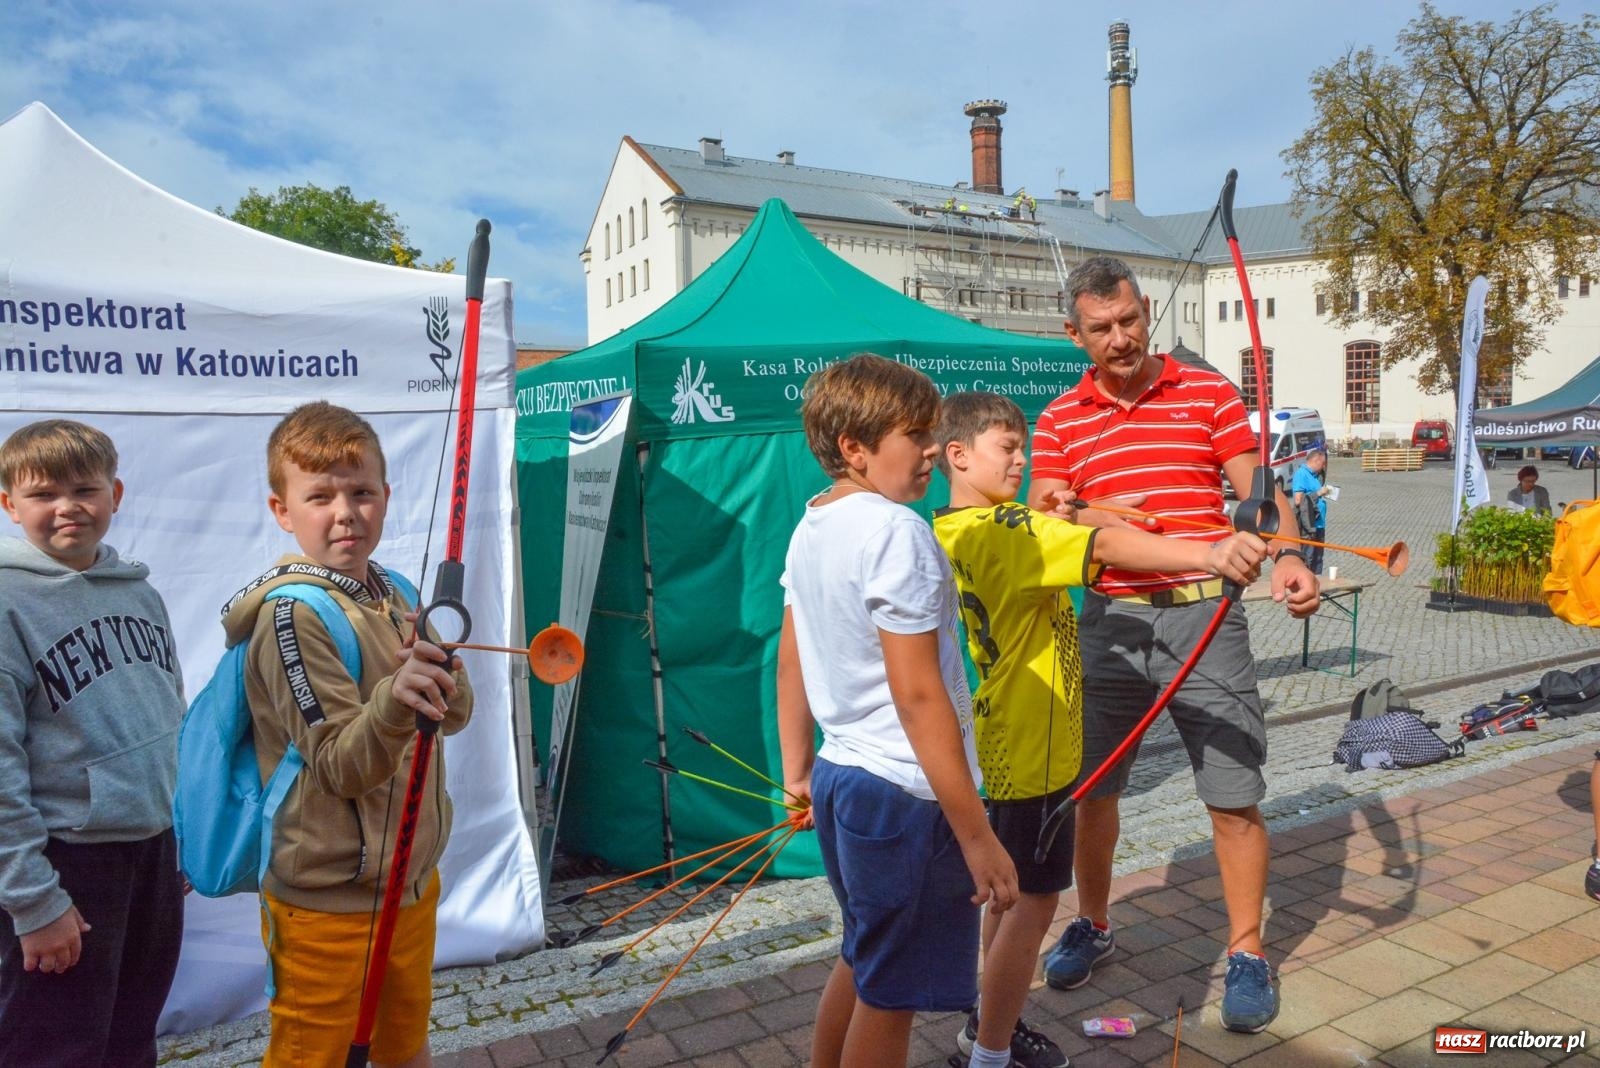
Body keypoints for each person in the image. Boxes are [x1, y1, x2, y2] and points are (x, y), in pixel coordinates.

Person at [1026, 256, 1319, 1035]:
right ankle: (1094, 922)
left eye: (1128, 320)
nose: (1119, 339)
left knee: (1232, 792)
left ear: (1145, 307)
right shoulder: (1057, 420)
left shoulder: (1207, 391)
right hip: (1110, 624)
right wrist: (1071, 508)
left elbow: (1260, 495)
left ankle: (1248, 950)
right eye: (1100, 329)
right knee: (1093, 791)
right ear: (1073, 333)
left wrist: (1288, 555)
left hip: (1206, 620)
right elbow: (1045, 521)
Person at [933, 392, 1267, 1068]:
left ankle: (984, 1022)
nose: (1023, 460)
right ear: (958, 455)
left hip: (1003, 741)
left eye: (1023, 446)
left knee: (1006, 892)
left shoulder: (955, 527)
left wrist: (1047, 516)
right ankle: (990, 1052)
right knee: (1033, 902)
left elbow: (1047, 529)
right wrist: (1208, 552)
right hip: (1037, 746)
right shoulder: (1011, 531)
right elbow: (1108, 542)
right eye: (1007, 448)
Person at [777, 355, 1018, 1068]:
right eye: (913, 435)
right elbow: (919, 696)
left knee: (867, 959)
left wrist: (798, 771)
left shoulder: (814, 523)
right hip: (905, 795)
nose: (928, 451)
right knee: (892, 994)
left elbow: (789, 659)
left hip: (844, 777)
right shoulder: (894, 530)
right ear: (854, 447)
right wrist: (977, 835)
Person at [227, 402, 472, 1067]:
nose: (345, 511)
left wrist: (443, 663)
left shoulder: (394, 590)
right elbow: (339, 764)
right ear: (283, 510)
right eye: (320, 496)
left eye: (362, 492)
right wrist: (399, 696)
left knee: (404, 1046)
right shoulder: (291, 618)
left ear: (386, 498)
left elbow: (454, 717)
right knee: (316, 1058)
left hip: (411, 881)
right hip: (326, 906)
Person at [0, 419, 187, 1067]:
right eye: (44, 493)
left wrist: (178, 833)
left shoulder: (142, 593)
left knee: (132, 1042)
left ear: (116, 493)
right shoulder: (6, 604)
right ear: (9, 505)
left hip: (151, 855)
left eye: (85, 488)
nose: (67, 506)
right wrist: (32, 900)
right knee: (54, 1050)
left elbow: (171, 718)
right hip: (66, 866)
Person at [1290, 449, 1332, 575]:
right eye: (1323, 463)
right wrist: (1318, 493)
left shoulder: (1316, 476)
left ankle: (1317, 585)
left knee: (1318, 558)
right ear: (1316, 460)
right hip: (1308, 525)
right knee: (1308, 557)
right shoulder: (1301, 474)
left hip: (1319, 524)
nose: (1323, 466)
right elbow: (1298, 500)